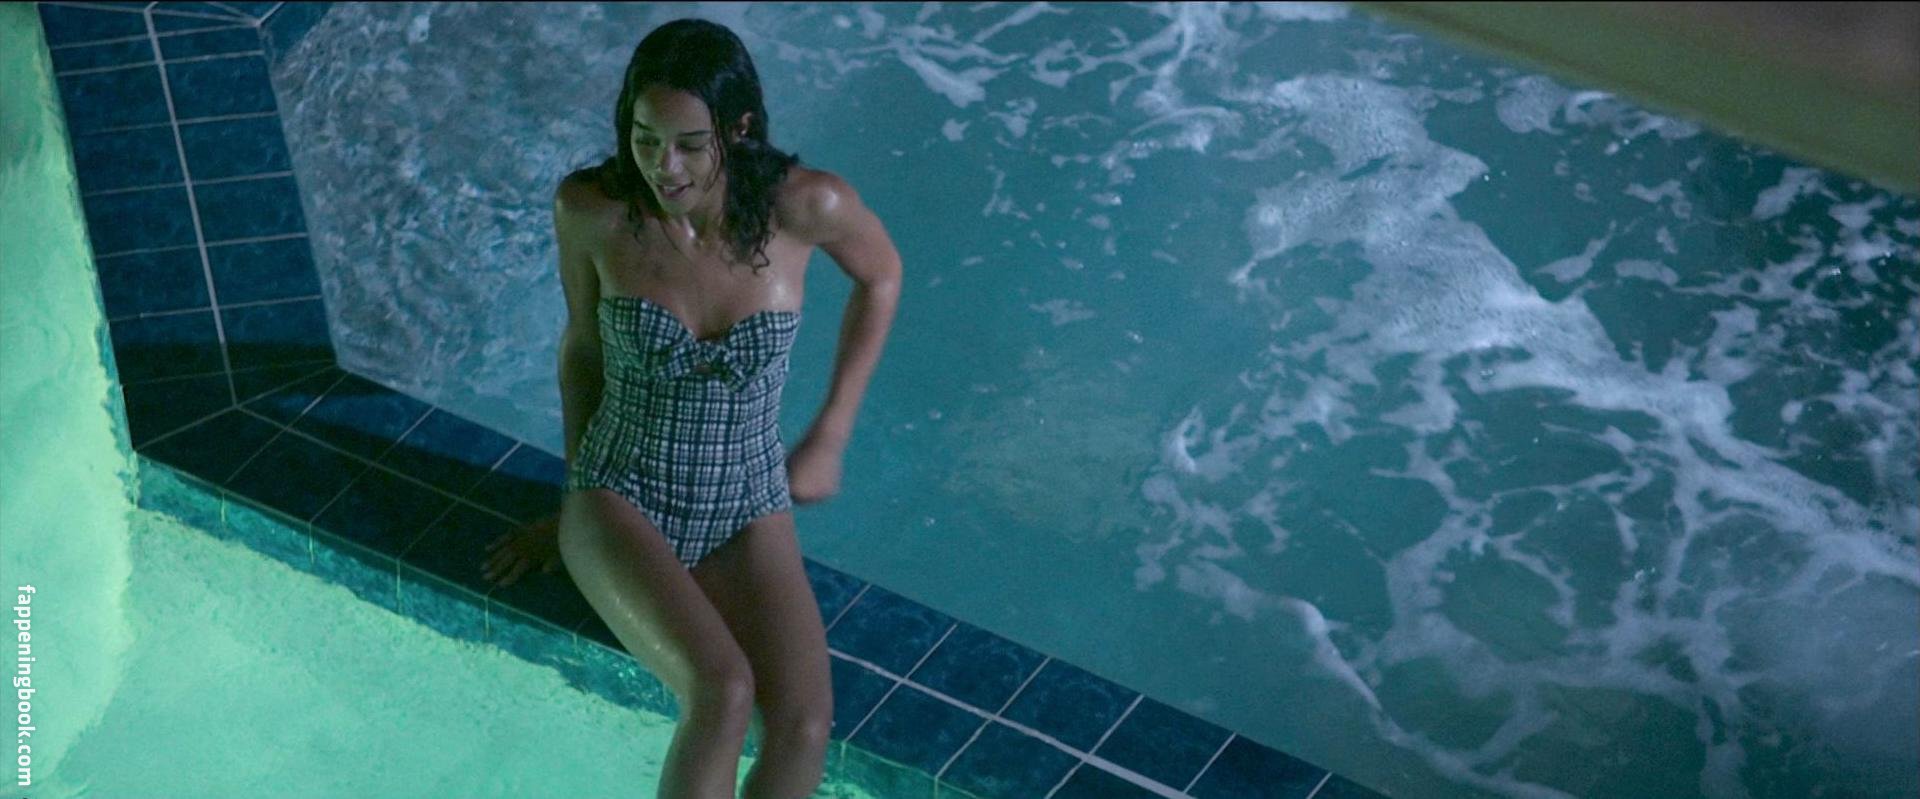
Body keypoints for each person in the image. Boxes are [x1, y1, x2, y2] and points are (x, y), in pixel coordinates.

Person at [479, 18, 901, 799]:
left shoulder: (806, 206)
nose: (661, 166)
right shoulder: (594, 211)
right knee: (722, 693)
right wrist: (571, 509)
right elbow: (583, 352)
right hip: (620, 492)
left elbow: (882, 277)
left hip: (747, 500)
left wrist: (831, 432)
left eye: (687, 144)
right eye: (644, 139)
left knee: (804, 724)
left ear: (737, 130)